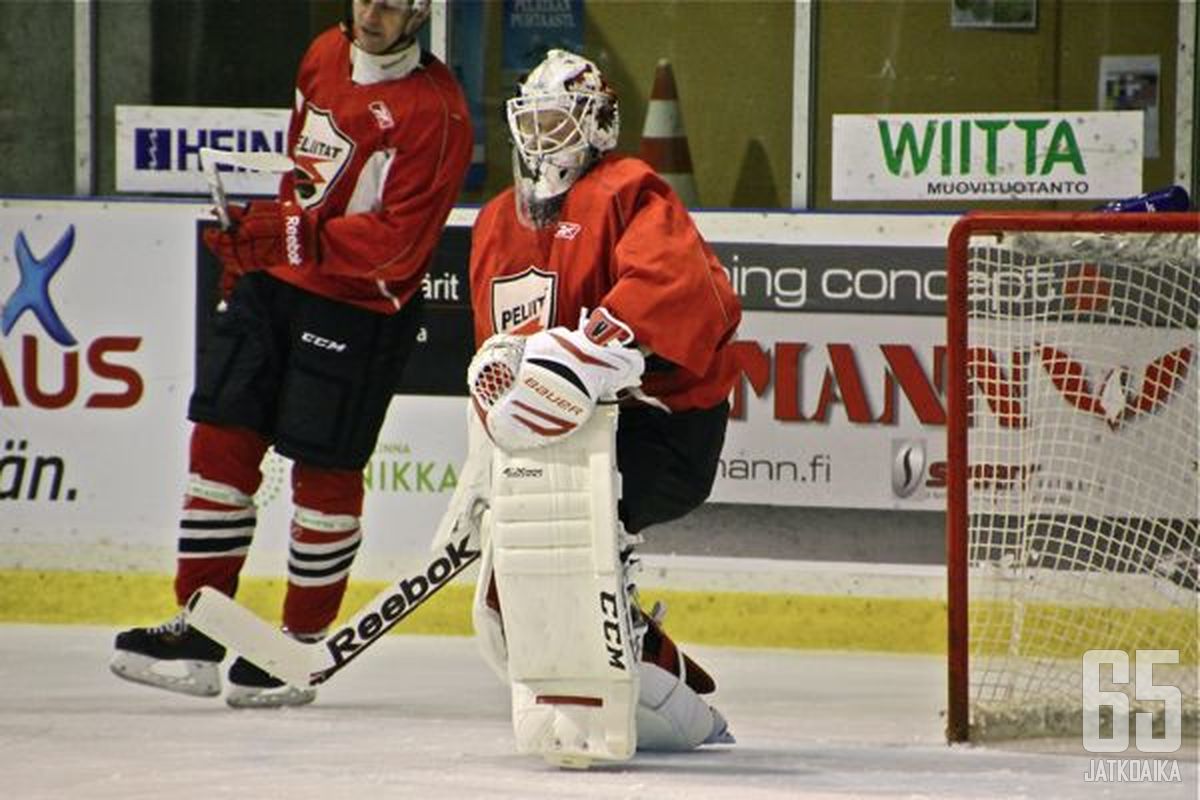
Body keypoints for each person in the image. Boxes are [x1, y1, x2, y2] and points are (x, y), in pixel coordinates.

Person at [110, 0, 472, 708]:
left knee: (324, 474)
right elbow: (300, 183)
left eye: (394, 3)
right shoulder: (322, 56)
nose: (374, 12)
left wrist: (289, 240)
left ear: (419, 14)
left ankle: (298, 643)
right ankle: (200, 627)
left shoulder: (439, 113)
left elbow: (398, 246)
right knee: (219, 443)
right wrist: (257, 251)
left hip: (361, 310)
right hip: (277, 287)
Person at [460, 48, 742, 754]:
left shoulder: (630, 190)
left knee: (567, 566)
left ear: (598, 126)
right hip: (566, 442)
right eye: (535, 121)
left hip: (659, 428)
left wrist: (588, 358)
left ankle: (683, 713)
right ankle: (659, 666)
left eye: (561, 122)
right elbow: (495, 363)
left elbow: (687, 294)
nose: (543, 139)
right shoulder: (494, 222)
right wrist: (482, 466)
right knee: (504, 605)